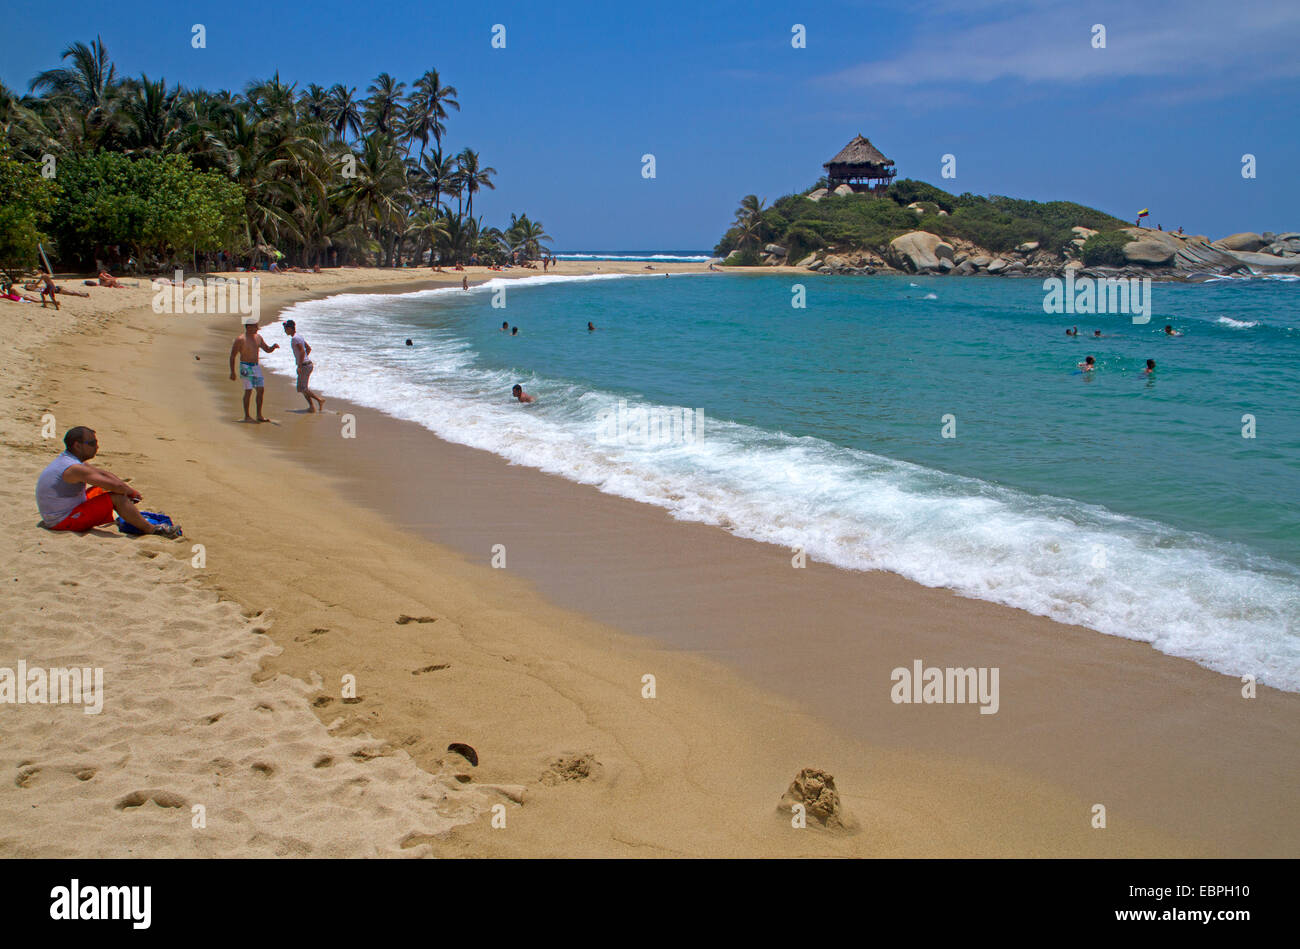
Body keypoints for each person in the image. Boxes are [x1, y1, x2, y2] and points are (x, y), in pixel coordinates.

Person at [36, 427, 181, 538]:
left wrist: (128, 489)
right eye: (92, 443)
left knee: (104, 489)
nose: (97, 447)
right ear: (77, 446)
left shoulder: (69, 460)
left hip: (63, 511)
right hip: (61, 521)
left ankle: (135, 516)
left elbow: (103, 474)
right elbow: (115, 486)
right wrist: (129, 492)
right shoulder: (74, 468)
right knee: (117, 497)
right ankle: (153, 529)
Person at [229, 316, 279, 422]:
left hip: (256, 366)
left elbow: (267, 349)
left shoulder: (258, 337)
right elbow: (233, 356)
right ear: (248, 327)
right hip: (245, 366)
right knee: (248, 391)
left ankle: (259, 415)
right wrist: (232, 372)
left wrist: (273, 347)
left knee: (261, 390)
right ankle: (247, 416)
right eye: (255, 326)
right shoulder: (240, 339)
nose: (257, 328)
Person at [283, 319, 325, 413]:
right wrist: (304, 359)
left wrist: (300, 365)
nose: (284, 331)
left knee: (302, 388)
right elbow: (308, 348)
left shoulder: (295, 338)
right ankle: (311, 407)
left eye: (285, 329)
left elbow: (302, 351)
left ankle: (319, 400)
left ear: (290, 328)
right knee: (302, 388)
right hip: (307, 364)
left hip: (305, 366)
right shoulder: (299, 337)